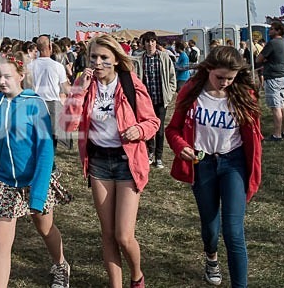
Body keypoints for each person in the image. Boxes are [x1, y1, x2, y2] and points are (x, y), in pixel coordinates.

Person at [62, 34, 160, 288]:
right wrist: (79, 91)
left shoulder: (129, 83)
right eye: (93, 57)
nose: (97, 62)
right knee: (107, 234)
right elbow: (68, 124)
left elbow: (153, 122)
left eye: (104, 57)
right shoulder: (84, 84)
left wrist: (139, 130)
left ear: (116, 60)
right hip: (99, 164)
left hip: (127, 163)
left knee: (124, 235)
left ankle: (137, 276)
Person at [166, 46, 264, 288]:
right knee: (210, 228)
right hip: (203, 164)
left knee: (233, 231)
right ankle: (211, 258)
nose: (224, 83)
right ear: (208, 69)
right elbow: (173, 129)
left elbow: (254, 135)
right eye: (220, 77)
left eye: (230, 78)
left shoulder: (244, 94)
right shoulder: (191, 91)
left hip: (233, 163)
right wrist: (180, 147)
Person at [0, 52, 69, 288]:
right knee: (0, 242)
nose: (1, 81)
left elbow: (45, 150)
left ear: (21, 76)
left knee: (45, 228)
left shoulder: (35, 104)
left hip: (34, 182)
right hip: (4, 183)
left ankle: (61, 264)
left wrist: (39, 192)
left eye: (7, 76)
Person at [133, 31, 177, 169]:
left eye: (152, 41)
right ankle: (150, 152)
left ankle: (159, 157)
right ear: (143, 44)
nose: (150, 44)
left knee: (160, 130)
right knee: (147, 128)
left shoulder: (164, 58)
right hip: (146, 102)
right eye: (147, 41)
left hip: (161, 99)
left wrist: (169, 95)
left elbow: (171, 78)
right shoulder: (139, 59)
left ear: (155, 42)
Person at [28, 35, 71, 148]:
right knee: (52, 138)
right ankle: (50, 162)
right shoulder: (57, 66)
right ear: (50, 46)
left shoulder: (30, 66)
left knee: (37, 136)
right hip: (53, 104)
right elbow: (66, 88)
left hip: (35, 103)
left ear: (37, 48)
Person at [256, 21, 284, 141]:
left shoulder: (272, 43)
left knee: (275, 107)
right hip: (283, 76)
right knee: (281, 105)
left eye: (271, 29)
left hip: (273, 77)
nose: (269, 31)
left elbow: (258, 59)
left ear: (277, 31)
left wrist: (264, 61)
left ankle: (277, 135)